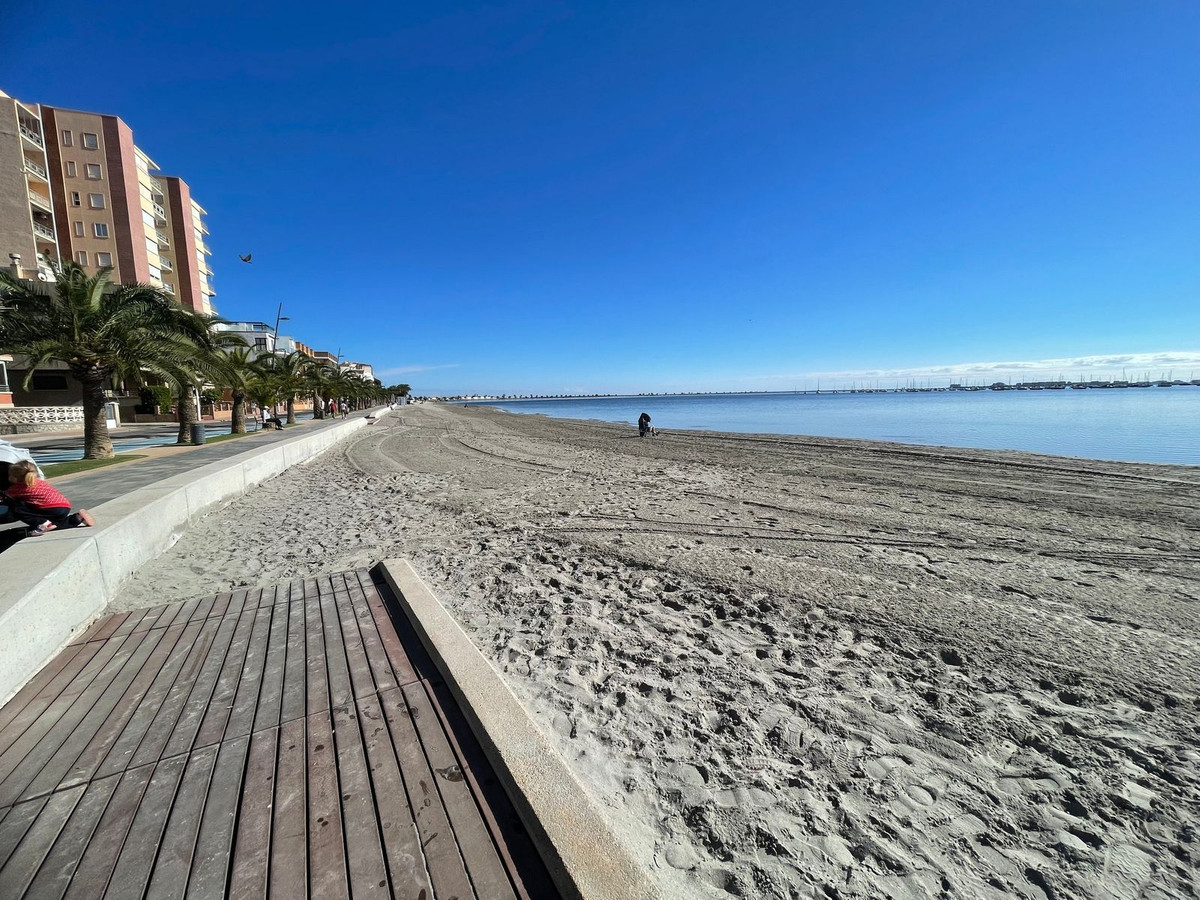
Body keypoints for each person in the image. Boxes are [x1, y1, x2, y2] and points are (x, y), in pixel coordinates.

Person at [5, 460, 94, 536]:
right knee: (55, 524)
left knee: (17, 508)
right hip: (64, 506)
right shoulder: (40, 482)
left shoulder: (18, 488)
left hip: (51, 509)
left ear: (15, 477)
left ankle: (41, 524)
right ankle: (77, 518)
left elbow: (6, 496)